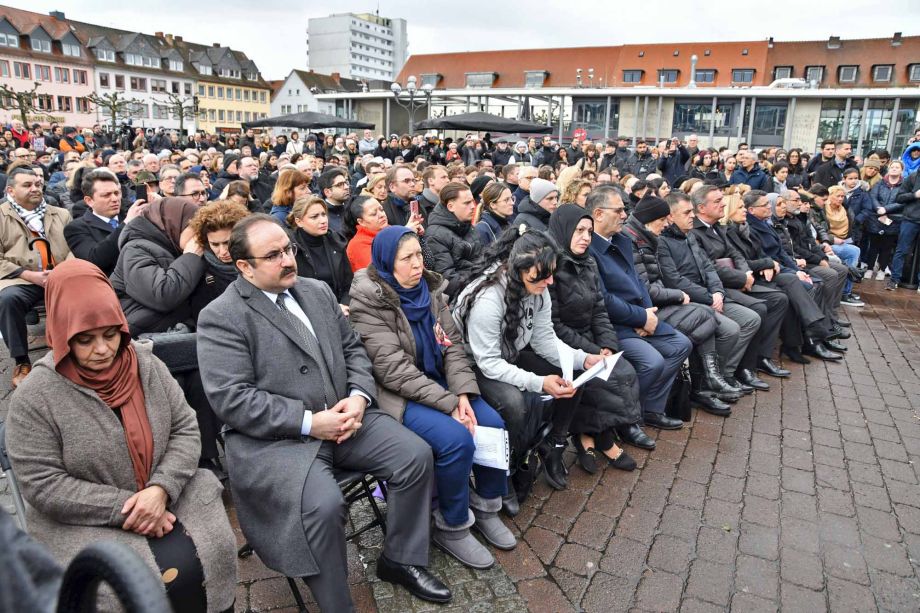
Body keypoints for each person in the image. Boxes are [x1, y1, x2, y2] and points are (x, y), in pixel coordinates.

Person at [196, 215, 450, 609]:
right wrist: (310, 422)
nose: (287, 260)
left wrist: (359, 396)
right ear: (243, 266)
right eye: (273, 255)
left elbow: (354, 350)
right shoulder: (221, 316)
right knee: (323, 504)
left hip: (346, 419)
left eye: (288, 249)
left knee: (415, 456)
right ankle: (337, 605)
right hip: (280, 442)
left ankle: (400, 559)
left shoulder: (315, 291)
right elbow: (232, 398)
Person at [5, 259, 237, 613]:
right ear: (61, 331)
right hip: (86, 519)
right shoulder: (36, 396)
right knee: (121, 586)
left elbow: (185, 429)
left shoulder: (146, 365)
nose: (102, 350)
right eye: (84, 339)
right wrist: (129, 507)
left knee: (214, 552)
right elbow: (43, 483)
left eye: (110, 334)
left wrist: (160, 489)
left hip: (172, 494)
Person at [348, 226, 515, 569]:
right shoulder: (370, 300)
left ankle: (486, 505)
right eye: (406, 258)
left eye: (419, 255)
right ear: (384, 263)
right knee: (456, 440)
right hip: (400, 395)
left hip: (441, 384)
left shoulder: (429, 289)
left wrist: (464, 393)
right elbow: (392, 370)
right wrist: (451, 404)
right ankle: (452, 525)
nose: (417, 265)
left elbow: (451, 346)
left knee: (493, 423)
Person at [453, 228, 601, 497]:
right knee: (514, 403)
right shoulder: (488, 299)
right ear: (519, 268)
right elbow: (489, 364)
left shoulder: (538, 284)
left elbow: (544, 338)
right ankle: (510, 468)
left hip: (508, 354)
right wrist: (538, 382)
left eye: (552, 272)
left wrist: (583, 358)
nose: (550, 281)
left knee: (571, 375)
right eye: (542, 275)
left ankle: (554, 445)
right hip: (474, 365)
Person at [548, 204, 652, 460]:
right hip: (563, 341)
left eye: (589, 232)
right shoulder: (550, 266)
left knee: (621, 369)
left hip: (591, 337)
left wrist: (607, 344)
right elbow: (554, 324)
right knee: (599, 376)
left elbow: (599, 309)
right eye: (579, 230)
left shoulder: (589, 262)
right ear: (564, 230)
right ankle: (597, 437)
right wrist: (594, 351)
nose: (586, 237)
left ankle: (596, 435)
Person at [586, 186, 691, 430]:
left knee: (681, 345)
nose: (625, 215)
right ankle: (625, 419)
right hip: (614, 325)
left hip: (639, 316)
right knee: (651, 362)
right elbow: (603, 299)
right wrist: (640, 318)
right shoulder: (588, 247)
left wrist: (649, 312)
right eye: (619, 210)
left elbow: (638, 281)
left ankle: (649, 409)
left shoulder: (622, 240)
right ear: (599, 214)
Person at [623, 196, 737, 415]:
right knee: (703, 319)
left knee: (710, 321)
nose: (666, 224)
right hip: (647, 310)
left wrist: (716, 292)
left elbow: (708, 267)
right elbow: (650, 287)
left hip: (658, 305)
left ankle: (706, 383)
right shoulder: (637, 241)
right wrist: (679, 295)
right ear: (650, 220)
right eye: (663, 220)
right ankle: (702, 385)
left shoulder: (651, 238)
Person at [656, 192, 769, 393]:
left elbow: (708, 267)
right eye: (687, 212)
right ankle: (711, 380)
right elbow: (674, 280)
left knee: (751, 318)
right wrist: (709, 297)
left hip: (711, 296)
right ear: (671, 217)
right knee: (730, 329)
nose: (692, 216)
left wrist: (717, 292)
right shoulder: (663, 242)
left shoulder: (689, 235)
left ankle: (725, 374)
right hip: (690, 299)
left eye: (692, 211)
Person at [0, 167, 73, 388]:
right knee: (7, 300)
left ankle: (71, 352)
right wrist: (30, 275)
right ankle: (22, 360)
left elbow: (73, 247)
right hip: (21, 278)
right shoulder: (1, 216)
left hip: (61, 275)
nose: (35, 188)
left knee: (84, 293)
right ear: (11, 190)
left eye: (37, 184)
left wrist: (61, 273)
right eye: (27, 185)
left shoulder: (60, 214)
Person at [110, 198, 205, 336]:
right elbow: (163, 294)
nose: (199, 235)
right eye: (194, 228)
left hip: (170, 333)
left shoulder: (172, 247)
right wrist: (191, 257)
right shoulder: (135, 249)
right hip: (141, 336)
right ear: (174, 224)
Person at [64, 169, 145, 276]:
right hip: (111, 287)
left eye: (116, 193)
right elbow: (94, 260)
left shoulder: (131, 215)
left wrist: (157, 206)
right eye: (106, 195)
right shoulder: (76, 228)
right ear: (89, 201)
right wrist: (126, 224)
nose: (115, 199)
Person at [186, 200, 250, 319]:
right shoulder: (200, 273)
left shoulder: (258, 260)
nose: (223, 251)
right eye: (215, 244)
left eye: (228, 242)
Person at [289, 196, 353, 309]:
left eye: (324, 214)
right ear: (299, 222)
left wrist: (344, 305)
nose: (323, 220)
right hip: (310, 310)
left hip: (343, 308)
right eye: (314, 217)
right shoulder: (292, 249)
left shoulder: (336, 241)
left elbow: (349, 283)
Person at [424, 183, 482, 298]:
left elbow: (482, 258)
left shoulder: (466, 225)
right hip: (459, 298)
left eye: (472, 201)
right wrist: (481, 279)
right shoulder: (435, 235)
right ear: (450, 206)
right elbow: (447, 280)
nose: (473, 206)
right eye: (467, 203)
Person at [811, 185, 863, 306]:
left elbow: (822, 228)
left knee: (854, 250)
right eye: (837, 196)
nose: (840, 199)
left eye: (842, 196)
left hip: (840, 239)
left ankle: (846, 291)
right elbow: (818, 231)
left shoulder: (844, 208)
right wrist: (831, 239)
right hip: (825, 242)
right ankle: (844, 291)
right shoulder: (822, 209)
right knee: (849, 254)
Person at [884, 157, 920, 290]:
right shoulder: (913, 177)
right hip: (910, 219)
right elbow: (900, 197)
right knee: (901, 250)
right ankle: (894, 280)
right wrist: (914, 195)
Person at [865, 160, 904, 280]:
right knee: (873, 246)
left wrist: (886, 209)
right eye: (892, 167)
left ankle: (882, 270)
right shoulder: (880, 183)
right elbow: (873, 197)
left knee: (887, 247)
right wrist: (879, 208)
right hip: (877, 217)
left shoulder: (904, 185)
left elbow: (902, 201)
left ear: (901, 170)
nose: (894, 169)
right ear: (888, 168)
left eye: (897, 167)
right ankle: (870, 268)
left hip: (893, 218)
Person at [345, 195, 391, 272]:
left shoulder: (391, 229)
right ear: (361, 222)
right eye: (373, 214)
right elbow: (378, 273)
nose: (382, 215)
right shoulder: (357, 245)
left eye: (382, 209)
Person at [317, 167, 351, 233]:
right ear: (327, 192)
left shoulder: (352, 206)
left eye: (346, 183)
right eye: (340, 185)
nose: (346, 187)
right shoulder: (322, 216)